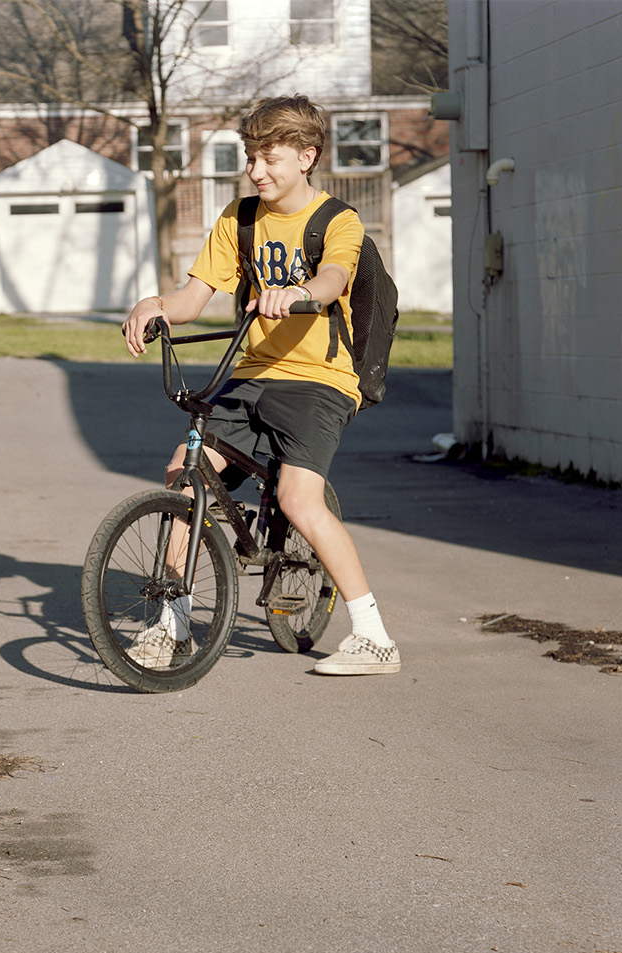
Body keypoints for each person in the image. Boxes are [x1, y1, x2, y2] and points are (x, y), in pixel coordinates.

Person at [121, 95, 399, 676]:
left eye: (268, 157)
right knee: (184, 469)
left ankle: (374, 638)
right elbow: (192, 302)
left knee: (299, 498)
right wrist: (156, 305)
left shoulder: (336, 221)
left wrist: (296, 294)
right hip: (251, 373)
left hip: (321, 378)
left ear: (306, 156)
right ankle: (171, 625)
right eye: (251, 157)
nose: (256, 171)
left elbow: (331, 280)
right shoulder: (238, 219)